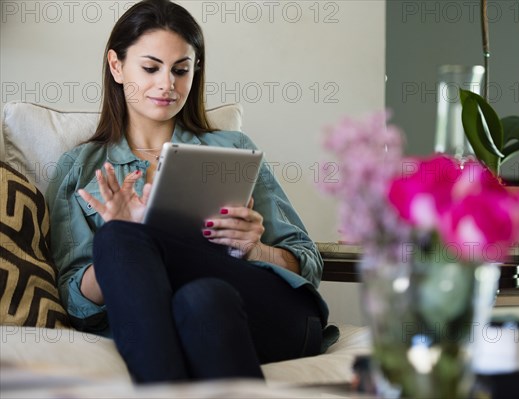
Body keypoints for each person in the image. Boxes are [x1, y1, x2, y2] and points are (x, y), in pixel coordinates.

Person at [47, 0, 336, 383]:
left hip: (272, 314)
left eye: (181, 70)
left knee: (125, 240)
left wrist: (256, 249)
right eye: (151, 68)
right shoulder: (79, 168)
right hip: (196, 315)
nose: (167, 84)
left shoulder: (232, 149)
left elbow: (307, 261)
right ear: (116, 67)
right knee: (199, 299)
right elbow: (75, 302)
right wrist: (122, 248)